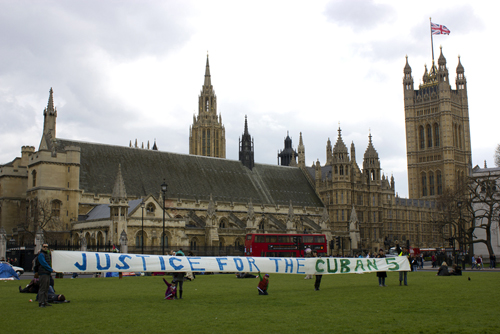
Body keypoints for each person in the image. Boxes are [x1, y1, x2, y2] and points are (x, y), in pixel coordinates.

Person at [36, 243, 56, 307]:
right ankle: (41, 302)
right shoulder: (41, 254)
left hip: (47, 273)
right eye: (44, 247)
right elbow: (44, 263)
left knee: (47, 288)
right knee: (43, 288)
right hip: (43, 273)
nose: (45, 248)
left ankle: (45, 301)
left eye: (46, 247)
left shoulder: (46, 254)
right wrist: (50, 269)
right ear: (42, 247)